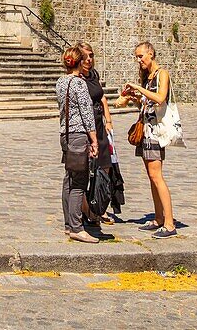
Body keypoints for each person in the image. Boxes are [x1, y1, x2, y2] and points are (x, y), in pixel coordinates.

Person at [123, 41, 176, 239]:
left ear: (151, 54)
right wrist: (134, 97)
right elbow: (148, 103)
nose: (139, 60)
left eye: (141, 56)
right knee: (151, 177)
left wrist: (138, 87)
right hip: (146, 130)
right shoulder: (149, 77)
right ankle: (159, 217)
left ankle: (169, 223)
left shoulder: (162, 74)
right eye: (137, 57)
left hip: (156, 132)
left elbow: (160, 98)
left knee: (157, 176)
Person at [56, 45, 99, 243]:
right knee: (79, 182)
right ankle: (76, 227)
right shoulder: (79, 84)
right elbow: (87, 114)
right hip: (79, 134)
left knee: (69, 179)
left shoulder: (61, 82)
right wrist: (94, 139)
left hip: (65, 134)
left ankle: (68, 224)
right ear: (80, 62)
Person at [78, 42, 115, 226]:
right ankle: (88, 210)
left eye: (91, 55)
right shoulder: (77, 78)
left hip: (99, 126)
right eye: (85, 57)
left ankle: (99, 206)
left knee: (105, 167)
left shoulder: (93, 75)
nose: (89, 60)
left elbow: (102, 97)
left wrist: (108, 120)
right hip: (85, 127)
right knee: (86, 170)